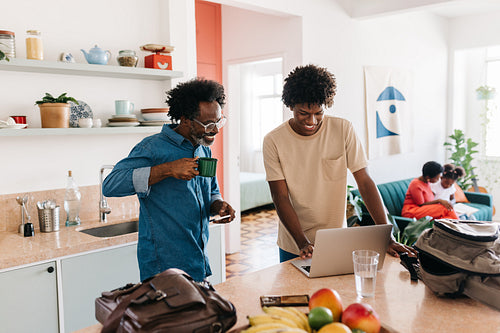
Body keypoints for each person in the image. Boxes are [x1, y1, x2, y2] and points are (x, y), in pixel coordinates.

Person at [262, 64, 415, 262]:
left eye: (319, 113)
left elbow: (365, 182)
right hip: (294, 243)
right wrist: (302, 243)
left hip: (336, 240)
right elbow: (280, 196)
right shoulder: (274, 140)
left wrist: (388, 235)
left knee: (336, 294)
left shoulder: (342, 129)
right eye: (304, 113)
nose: (312, 121)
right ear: (290, 105)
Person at [103, 78, 235, 282]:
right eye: (208, 123)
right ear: (185, 120)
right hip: (163, 267)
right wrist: (167, 169)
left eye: (218, 121)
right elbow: (110, 185)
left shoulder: (203, 148)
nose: (216, 129)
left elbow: (211, 191)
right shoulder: (152, 148)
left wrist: (218, 205)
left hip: (197, 261)